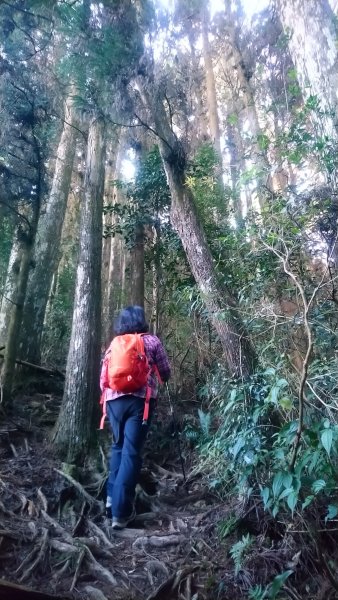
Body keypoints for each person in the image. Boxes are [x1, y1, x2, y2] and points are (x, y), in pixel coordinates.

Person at [100, 306, 171, 529]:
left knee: (118, 448)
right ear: (141, 321)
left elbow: (103, 377)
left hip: (113, 402)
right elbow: (165, 372)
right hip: (140, 402)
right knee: (131, 452)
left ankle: (111, 502)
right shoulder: (151, 341)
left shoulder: (114, 343)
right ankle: (121, 514)